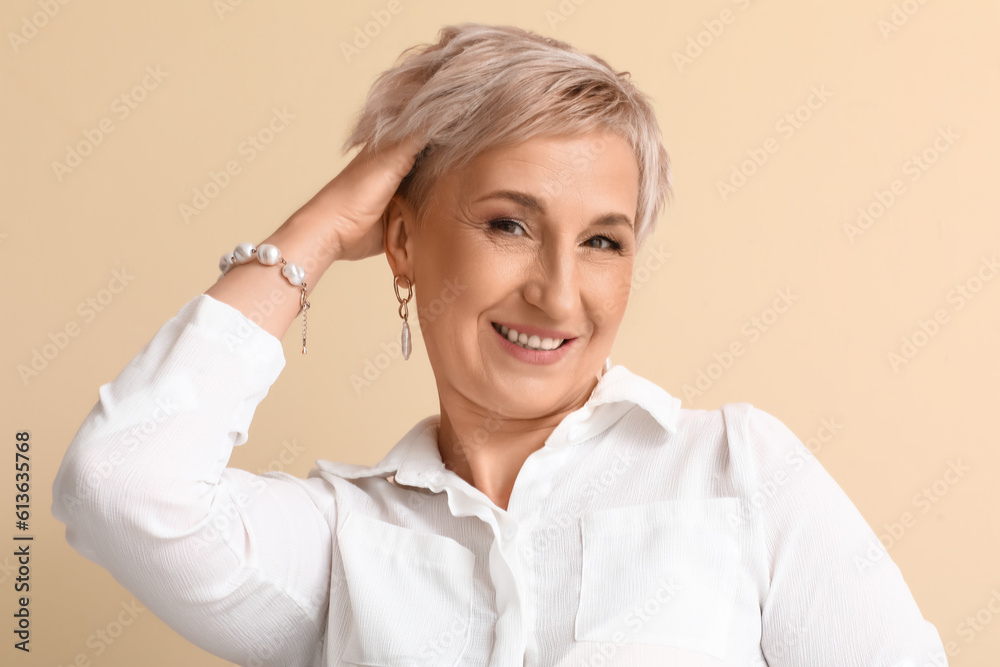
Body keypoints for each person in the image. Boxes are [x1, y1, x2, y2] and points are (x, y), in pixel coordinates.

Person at [52, 22, 948, 667]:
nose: (558, 293)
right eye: (510, 224)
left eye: (603, 239)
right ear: (401, 241)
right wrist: (318, 228)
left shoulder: (737, 472)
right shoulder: (342, 545)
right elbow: (121, 486)